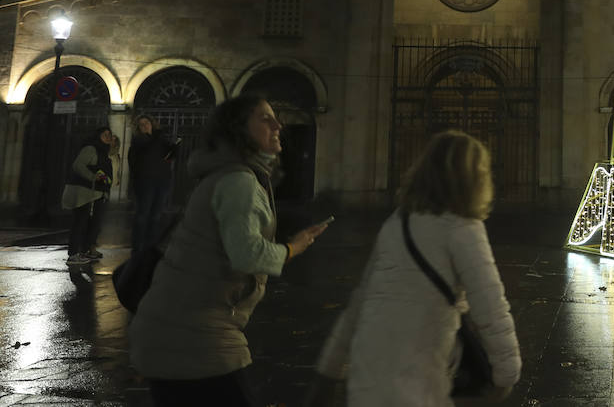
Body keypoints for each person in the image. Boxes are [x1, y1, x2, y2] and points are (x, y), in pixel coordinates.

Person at [129, 95, 330, 406]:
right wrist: (292, 248)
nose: (278, 125)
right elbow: (247, 254)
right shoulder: (239, 181)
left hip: (177, 331)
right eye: (265, 118)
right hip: (195, 336)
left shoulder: (231, 176)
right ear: (238, 130)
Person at [315, 130, 522, 405]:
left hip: (369, 365)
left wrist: (328, 370)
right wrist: (507, 374)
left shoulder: (396, 222)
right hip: (420, 370)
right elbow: (491, 306)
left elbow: (360, 300)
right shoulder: (463, 228)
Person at [62, 125, 114, 265]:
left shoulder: (104, 152)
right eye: (104, 135)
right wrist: (93, 177)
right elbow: (78, 166)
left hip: (96, 193)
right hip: (84, 193)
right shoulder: (91, 149)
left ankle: (85, 250)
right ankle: (73, 254)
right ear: (97, 136)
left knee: (93, 223)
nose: (108, 137)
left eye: (110, 134)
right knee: (80, 222)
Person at [128, 114, 180, 250]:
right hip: (145, 182)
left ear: (152, 124)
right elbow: (138, 157)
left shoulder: (160, 140)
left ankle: (151, 244)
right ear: (138, 128)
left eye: (147, 122)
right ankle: (138, 244)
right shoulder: (138, 141)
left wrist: (174, 149)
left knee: (156, 215)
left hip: (162, 181)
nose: (145, 125)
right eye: (142, 124)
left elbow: (168, 156)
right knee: (143, 214)